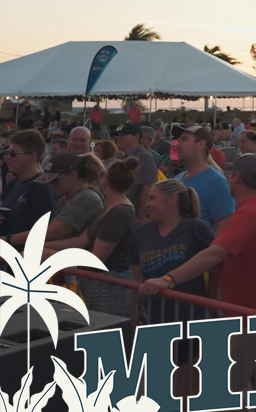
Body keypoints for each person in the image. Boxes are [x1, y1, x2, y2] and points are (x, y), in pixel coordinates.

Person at [139, 154, 256, 311]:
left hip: (246, 309)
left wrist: (167, 279)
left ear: (236, 178)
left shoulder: (249, 212)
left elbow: (213, 254)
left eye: (230, 175)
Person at [44, 157, 138, 315]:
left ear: (106, 180)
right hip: (96, 283)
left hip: (109, 286)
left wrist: (51, 255)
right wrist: (40, 247)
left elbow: (96, 259)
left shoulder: (119, 213)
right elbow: (81, 241)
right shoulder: (110, 207)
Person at [129, 179, 216, 323]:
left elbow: (217, 266)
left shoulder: (196, 228)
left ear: (172, 199)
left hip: (192, 316)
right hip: (155, 316)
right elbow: (138, 277)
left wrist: (214, 299)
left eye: (152, 198)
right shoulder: (140, 233)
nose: (147, 204)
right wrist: (136, 308)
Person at [5, 153, 105, 245]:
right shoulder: (63, 201)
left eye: (55, 180)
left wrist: (9, 240)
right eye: (48, 181)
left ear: (73, 175)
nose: (50, 184)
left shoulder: (86, 198)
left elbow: (53, 233)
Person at [174, 125, 235, 232]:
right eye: (179, 140)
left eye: (184, 140)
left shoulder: (216, 183)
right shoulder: (177, 179)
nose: (177, 145)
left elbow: (226, 230)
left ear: (201, 144)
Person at [1, 129, 56, 240]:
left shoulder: (42, 188)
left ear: (32, 156)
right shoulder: (13, 184)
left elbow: (42, 231)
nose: (8, 157)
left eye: (13, 154)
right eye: (7, 152)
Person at [112, 123, 159, 218]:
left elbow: (149, 188)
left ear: (136, 137)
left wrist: (142, 217)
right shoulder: (123, 157)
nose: (118, 137)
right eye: (117, 135)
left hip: (134, 215)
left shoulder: (144, 157)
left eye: (123, 134)